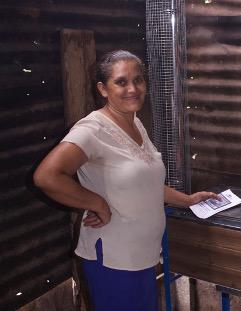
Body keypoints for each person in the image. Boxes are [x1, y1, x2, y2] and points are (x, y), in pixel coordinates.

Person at [33, 50, 218, 311]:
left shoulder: (135, 123)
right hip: (113, 258)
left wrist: (187, 200)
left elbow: (146, 184)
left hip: (142, 255)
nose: (133, 88)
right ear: (103, 89)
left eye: (138, 80)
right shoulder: (91, 130)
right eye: (121, 82)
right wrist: (98, 204)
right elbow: (46, 177)